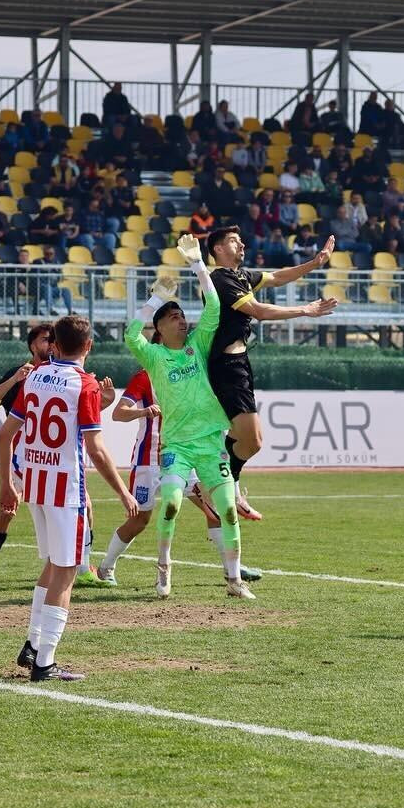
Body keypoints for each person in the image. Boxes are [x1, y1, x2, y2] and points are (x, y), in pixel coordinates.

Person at [0, 316, 136, 681]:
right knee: (67, 571)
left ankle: (32, 645)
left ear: (54, 344)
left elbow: (5, 435)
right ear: (89, 346)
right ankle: (45, 662)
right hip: (65, 490)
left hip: (36, 485)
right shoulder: (85, 384)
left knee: (53, 566)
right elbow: (95, 447)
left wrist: (5, 484)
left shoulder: (35, 376)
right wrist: (123, 492)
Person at [126, 238, 255, 600]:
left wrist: (199, 264)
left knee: (228, 510)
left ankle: (234, 581)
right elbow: (129, 334)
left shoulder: (197, 344)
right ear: (160, 329)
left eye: (181, 315)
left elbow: (213, 304)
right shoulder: (152, 356)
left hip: (211, 442)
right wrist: (154, 299)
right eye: (172, 317)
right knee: (170, 502)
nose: (181, 320)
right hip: (178, 446)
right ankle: (163, 570)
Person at [207, 227, 339, 521]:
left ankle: (226, 485)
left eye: (240, 239)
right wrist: (306, 310)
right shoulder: (220, 278)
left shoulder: (242, 276)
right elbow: (258, 310)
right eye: (232, 240)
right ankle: (218, 487)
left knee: (250, 441)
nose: (241, 243)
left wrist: (315, 263)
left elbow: (278, 277)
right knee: (250, 439)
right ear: (217, 249)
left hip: (240, 362)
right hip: (225, 366)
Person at [95, 362, 264, 586]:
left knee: (213, 510)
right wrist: (144, 411)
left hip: (183, 457)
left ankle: (232, 569)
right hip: (149, 462)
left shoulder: (188, 374)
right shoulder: (144, 378)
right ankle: (106, 567)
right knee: (139, 520)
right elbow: (119, 414)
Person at [0, 324, 55, 585]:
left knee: (84, 505)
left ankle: (82, 565)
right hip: (21, 454)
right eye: (45, 340)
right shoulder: (23, 372)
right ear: (33, 345)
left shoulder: (60, 372)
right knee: (8, 509)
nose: (50, 345)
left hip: (51, 455)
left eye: (54, 340)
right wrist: (15, 379)